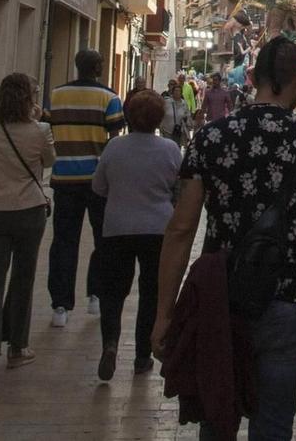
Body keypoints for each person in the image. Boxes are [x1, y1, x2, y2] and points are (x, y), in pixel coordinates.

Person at [154, 37, 296, 440]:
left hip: (221, 300)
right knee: (275, 425)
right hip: (289, 298)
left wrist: (163, 313)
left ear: (255, 78)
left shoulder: (209, 139)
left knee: (216, 417)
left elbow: (180, 229)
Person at [0, 72, 55, 389]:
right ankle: (17, 347)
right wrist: (36, 123)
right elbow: (49, 161)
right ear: (30, 100)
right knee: (22, 279)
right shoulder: (40, 131)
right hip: (28, 212)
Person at [91, 88, 181, 382]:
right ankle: (142, 355)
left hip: (117, 227)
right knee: (151, 292)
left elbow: (98, 188)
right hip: (157, 229)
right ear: (158, 119)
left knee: (113, 291)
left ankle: (110, 343)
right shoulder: (169, 150)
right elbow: (178, 191)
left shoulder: (114, 148)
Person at [46, 47, 124, 328]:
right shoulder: (109, 98)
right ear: (99, 68)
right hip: (97, 181)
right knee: (103, 241)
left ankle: (60, 306)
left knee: (64, 241)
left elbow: (49, 129)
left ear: (77, 66)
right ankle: (96, 295)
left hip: (64, 179)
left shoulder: (56, 96)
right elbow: (115, 139)